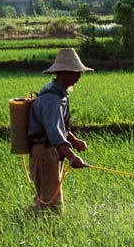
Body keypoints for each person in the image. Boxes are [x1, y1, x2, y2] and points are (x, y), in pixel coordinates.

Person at [27, 48, 93, 213]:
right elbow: (54, 133)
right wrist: (72, 157)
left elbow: (59, 126)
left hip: (52, 152)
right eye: (76, 72)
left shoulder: (59, 94)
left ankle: (28, 227)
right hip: (45, 152)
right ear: (63, 72)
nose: (79, 76)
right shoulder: (51, 99)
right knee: (51, 205)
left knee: (46, 199)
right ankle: (40, 233)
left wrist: (73, 140)